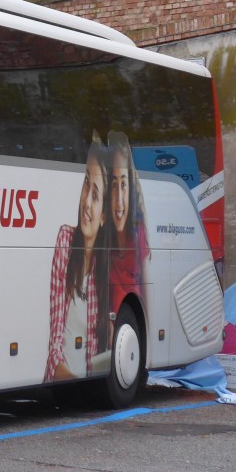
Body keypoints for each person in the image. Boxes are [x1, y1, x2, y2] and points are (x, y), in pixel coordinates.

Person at [45, 138, 109, 382]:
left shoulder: (104, 270)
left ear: (103, 216)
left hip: (85, 382)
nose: (86, 204)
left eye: (96, 195)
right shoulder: (66, 240)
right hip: (64, 380)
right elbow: (55, 341)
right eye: (85, 185)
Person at [104, 131, 149, 336]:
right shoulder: (100, 240)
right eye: (114, 186)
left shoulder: (139, 235)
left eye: (124, 184)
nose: (119, 201)